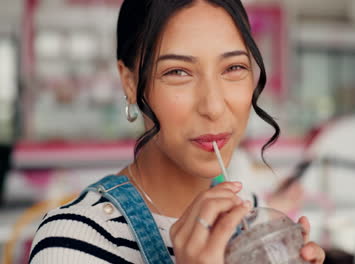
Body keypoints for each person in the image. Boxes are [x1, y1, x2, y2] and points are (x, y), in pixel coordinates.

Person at [29, 0, 325, 263]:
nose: (213, 106)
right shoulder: (74, 242)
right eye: (177, 72)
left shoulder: (251, 217)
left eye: (233, 67)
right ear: (130, 83)